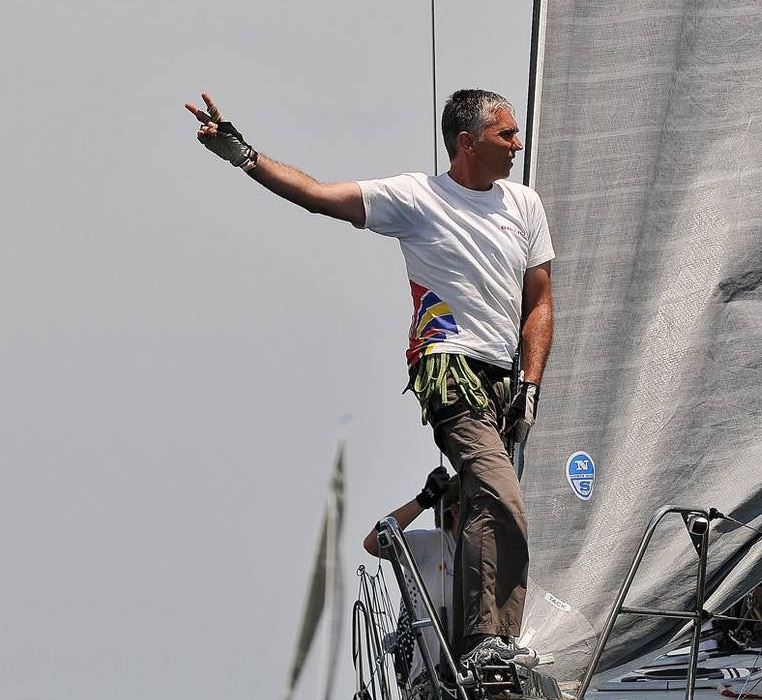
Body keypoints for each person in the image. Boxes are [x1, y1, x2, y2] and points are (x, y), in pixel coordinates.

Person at [184, 89, 554, 669]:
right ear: (467, 142)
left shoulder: (525, 204)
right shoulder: (416, 197)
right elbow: (317, 197)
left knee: (484, 504)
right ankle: (492, 644)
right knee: (502, 497)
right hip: (448, 369)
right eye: (506, 135)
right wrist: (245, 155)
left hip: (506, 380)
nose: (518, 144)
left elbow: (540, 303)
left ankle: (475, 651)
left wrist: (530, 384)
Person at [364, 467, 461, 670]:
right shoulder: (433, 544)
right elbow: (373, 543)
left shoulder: (486, 555)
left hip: (472, 678)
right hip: (429, 679)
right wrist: (424, 499)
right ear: (457, 511)